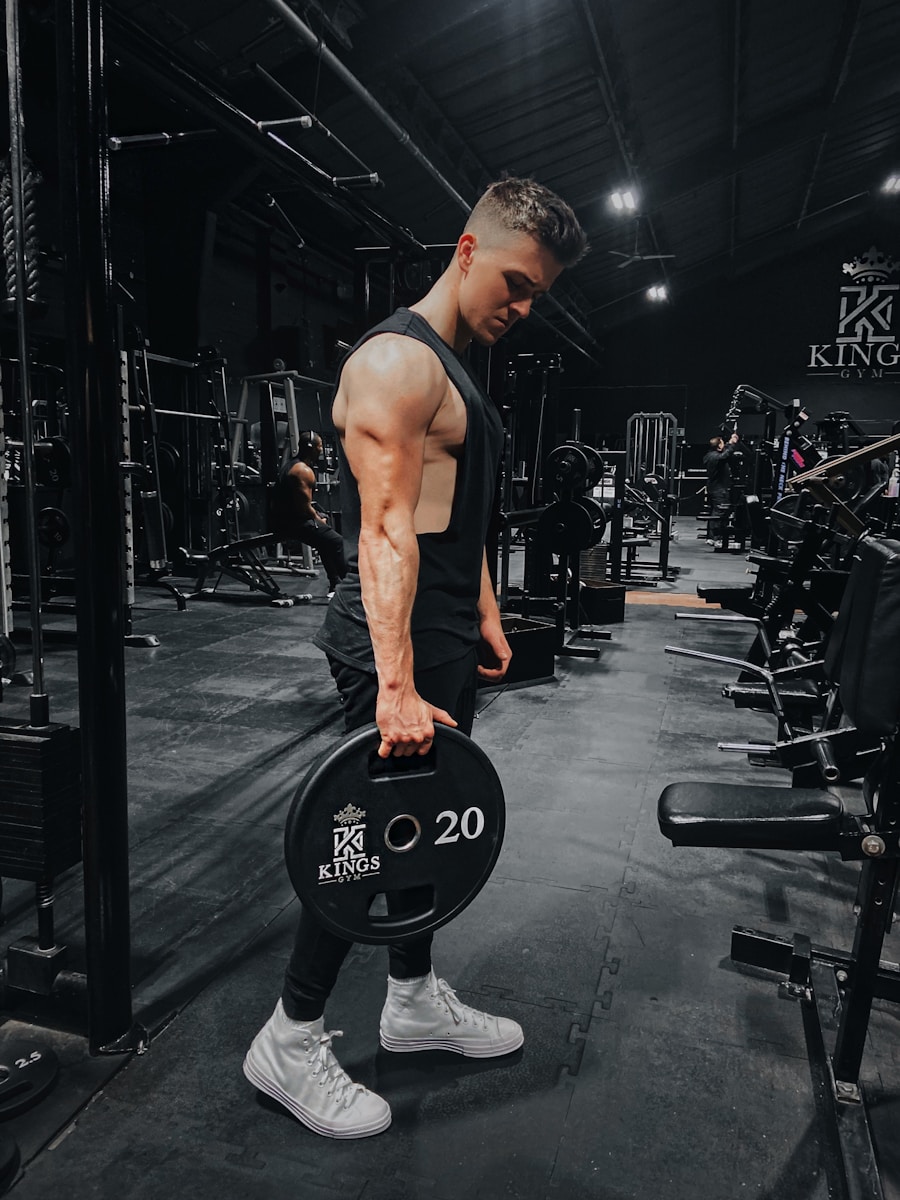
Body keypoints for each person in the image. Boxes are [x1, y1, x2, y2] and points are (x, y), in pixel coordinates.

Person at [243, 176, 588, 1138]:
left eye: (538, 297)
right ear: (468, 249)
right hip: (384, 641)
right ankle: (291, 1033)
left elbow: (452, 505)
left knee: (428, 831)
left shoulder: (462, 363)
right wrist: (393, 682)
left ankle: (412, 1000)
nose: (521, 308)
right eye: (515, 282)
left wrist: (481, 602)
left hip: (435, 632)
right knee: (360, 840)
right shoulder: (399, 363)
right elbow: (387, 528)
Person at [270, 430, 347, 595]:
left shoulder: (293, 464)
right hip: (291, 524)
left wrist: (319, 519)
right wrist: (319, 520)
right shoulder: (302, 471)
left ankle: (335, 584)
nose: (321, 449)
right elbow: (304, 508)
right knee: (337, 542)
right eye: (319, 446)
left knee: (324, 540)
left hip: (287, 520)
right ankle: (350, 588)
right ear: (311, 448)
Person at [703, 430, 740, 546]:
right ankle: (716, 538)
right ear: (719, 446)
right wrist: (733, 444)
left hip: (714, 488)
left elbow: (724, 452)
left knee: (715, 512)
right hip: (719, 489)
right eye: (722, 444)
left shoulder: (709, 455)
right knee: (720, 512)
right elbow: (725, 455)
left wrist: (729, 442)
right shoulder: (715, 457)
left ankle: (712, 537)